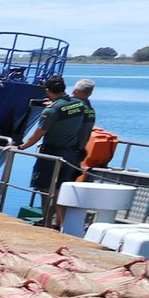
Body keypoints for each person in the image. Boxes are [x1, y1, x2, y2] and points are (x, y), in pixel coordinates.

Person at [18, 75, 93, 229]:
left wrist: (20, 147)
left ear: (47, 90)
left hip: (52, 154)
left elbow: (37, 134)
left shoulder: (51, 111)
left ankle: (48, 222)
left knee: (46, 188)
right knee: (61, 189)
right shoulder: (80, 105)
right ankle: (61, 225)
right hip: (71, 154)